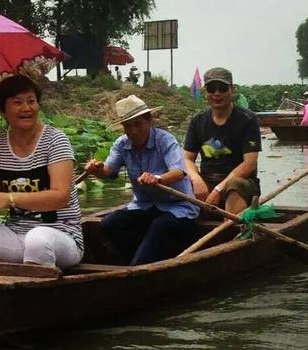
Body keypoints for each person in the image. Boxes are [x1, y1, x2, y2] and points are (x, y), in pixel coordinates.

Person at [0, 75, 83, 269]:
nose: (27, 108)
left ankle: (34, 295)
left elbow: (60, 197)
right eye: (17, 103)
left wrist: (10, 198)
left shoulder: (55, 141)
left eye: (31, 101)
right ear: (2, 111)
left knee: (37, 241)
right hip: (16, 234)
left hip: (61, 234)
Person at [84, 95, 199, 265]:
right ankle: (135, 261)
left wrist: (157, 178)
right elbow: (108, 171)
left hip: (178, 207)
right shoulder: (121, 144)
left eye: (138, 124)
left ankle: (139, 265)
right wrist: (97, 169)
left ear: (149, 121)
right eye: (128, 126)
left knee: (160, 226)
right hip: (144, 206)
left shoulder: (166, 141)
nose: (133, 131)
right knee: (110, 223)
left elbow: (179, 172)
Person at [183, 67, 262, 216]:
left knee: (234, 185)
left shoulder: (248, 119)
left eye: (222, 88)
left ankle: (231, 231)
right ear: (205, 92)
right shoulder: (197, 120)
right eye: (211, 89)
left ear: (231, 90)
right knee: (179, 183)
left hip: (241, 182)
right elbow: (187, 159)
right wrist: (196, 179)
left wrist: (219, 189)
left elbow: (249, 164)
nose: (217, 94)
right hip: (207, 180)